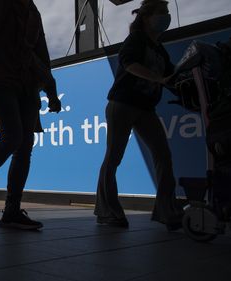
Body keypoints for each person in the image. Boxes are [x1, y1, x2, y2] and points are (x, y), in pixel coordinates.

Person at [0, 0, 61, 230]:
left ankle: (12, 210)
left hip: (26, 83)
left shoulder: (33, 11)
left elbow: (42, 54)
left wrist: (51, 91)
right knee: (12, 137)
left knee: (25, 146)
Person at [94, 0, 183, 230]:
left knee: (163, 154)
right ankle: (107, 211)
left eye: (167, 12)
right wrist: (158, 79)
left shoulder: (159, 50)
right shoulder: (135, 40)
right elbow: (130, 64)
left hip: (146, 109)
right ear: (146, 17)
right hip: (122, 104)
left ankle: (167, 210)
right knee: (114, 156)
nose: (166, 16)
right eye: (161, 12)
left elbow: (173, 76)